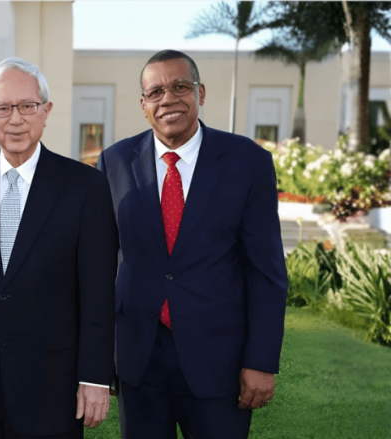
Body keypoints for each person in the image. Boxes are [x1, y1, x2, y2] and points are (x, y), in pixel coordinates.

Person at [0, 57, 119, 439]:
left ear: (46, 111)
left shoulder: (85, 187)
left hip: (52, 387)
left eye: (27, 106)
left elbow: (98, 294)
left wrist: (95, 376)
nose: (15, 119)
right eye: (2, 108)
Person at [97, 50, 288, 438]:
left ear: (200, 92)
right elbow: (99, 268)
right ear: (143, 105)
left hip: (219, 363)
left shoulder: (247, 162)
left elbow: (266, 271)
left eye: (180, 86)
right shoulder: (114, 162)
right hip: (138, 363)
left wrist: (261, 361)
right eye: (155, 92)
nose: (168, 99)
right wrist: (99, 363)